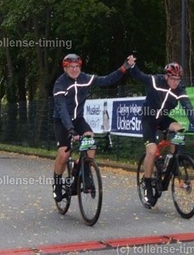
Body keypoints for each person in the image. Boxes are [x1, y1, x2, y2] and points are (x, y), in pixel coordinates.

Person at [52, 53, 136, 202]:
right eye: (71, 67)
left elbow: (106, 80)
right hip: (62, 121)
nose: (74, 70)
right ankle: (57, 183)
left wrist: (124, 67)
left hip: (78, 119)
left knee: (90, 140)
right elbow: (62, 108)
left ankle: (83, 170)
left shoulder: (85, 78)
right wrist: (70, 129)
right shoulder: (60, 83)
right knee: (64, 155)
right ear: (65, 68)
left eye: (77, 67)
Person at [129, 61, 194, 208]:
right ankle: (147, 183)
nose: (175, 82)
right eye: (173, 79)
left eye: (178, 79)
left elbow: (188, 106)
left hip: (163, 119)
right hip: (148, 119)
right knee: (151, 152)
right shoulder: (156, 81)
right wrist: (132, 66)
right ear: (166, 76)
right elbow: (139, 76)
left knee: (180, 129)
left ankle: (171, 160)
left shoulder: (180, 89)